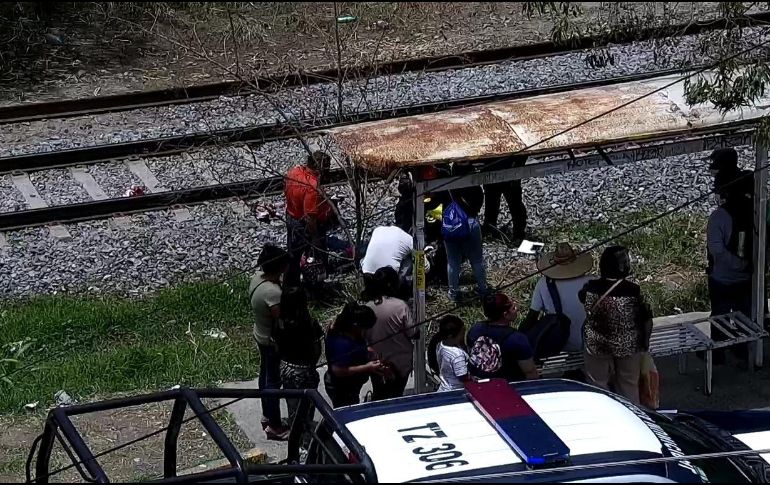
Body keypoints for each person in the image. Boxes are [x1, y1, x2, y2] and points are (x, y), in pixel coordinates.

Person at [580, 246, 652, 405]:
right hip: (628, 344)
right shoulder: (634, 290)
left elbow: (582, 299)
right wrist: (644, 343)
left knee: (597, 384)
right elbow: (647, 319)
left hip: (597, 344)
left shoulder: (590, 288)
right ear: (625, 266)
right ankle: (632, 414)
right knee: (629, 383)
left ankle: (604, 413)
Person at [248, 244, 290, 440]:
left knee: (264, 376)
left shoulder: (257, 278)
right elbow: (280, 318)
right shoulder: (273, 293)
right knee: (273, 381)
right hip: (271, 341)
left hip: (260, 333)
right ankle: (274, 424)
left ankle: (267, 416)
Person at [522, 242, 594, 354]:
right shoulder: (593, 281)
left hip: (560, 344)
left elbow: (532, 317)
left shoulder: (543, 284)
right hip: (590, 344)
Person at [432, 163, 488, 303]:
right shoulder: (476, 189)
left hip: (451, 224)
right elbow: (478, 206)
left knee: (452, 261)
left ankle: (454, 292)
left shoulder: (447, 187)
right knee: (476, 260)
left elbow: (437, 206)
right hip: (471, 223)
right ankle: (483, 289)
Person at [284, 150, 338, 287]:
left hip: (291, 216)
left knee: (293, 254)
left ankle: (291, 283)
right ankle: (315, 284)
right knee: (315, 255)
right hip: (305, 225)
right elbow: (310, 217)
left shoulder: (294, 172)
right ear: (320, 167)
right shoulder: (312, 186)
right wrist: (314, 237)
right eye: (327, 167)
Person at [363, 267, 418, 400]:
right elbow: (412, 333)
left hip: (375, 363)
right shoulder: (400, 306)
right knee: (396, 396)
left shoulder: (367, 307)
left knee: (379, 394)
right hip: (400, 362)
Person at [273, 287, 324, 427]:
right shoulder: (310, 324)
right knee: (308, 405)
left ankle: (295, 431)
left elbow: (277, 347)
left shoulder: (280, 322)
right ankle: (306, 435)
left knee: (292, 403)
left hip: (287, 367)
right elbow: (317, 349)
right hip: (305, 369)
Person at [466, 293, 539, 382]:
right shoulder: (517, 339)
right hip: (504, 388)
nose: (517, 309)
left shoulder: (475, 329)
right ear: (505, 314)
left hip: (475, 384)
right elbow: (530, 372)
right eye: (513, 308)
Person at [324, 302, 384, 407]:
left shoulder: (353, 333)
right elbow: (338, 370)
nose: (365, 331)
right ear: (355, 325)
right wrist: (367, 367)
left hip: (353, 385)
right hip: (341, 388)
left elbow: (358, 345)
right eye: (364, 328)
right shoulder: (341, 342)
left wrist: (368, 351)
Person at [482, 155, 528, 241]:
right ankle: (490, 228)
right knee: (492, 203)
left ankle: (518, 233)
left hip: (509, 170)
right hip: (493, 170)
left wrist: (517, 165)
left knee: (515, 204)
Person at [361, 225, 413, 300]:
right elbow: (426, 267)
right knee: (411, 257)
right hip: (388, 279)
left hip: (367, 273)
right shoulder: (410, 240)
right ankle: (399, 288)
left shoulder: (378, 230)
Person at [428, 314, 471, 391]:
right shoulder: (457, 355)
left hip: (444, 387)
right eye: (462, 332)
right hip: (456, 391)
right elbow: (463, 377)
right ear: (451, 336)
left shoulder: (440, 345)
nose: (463, 334)